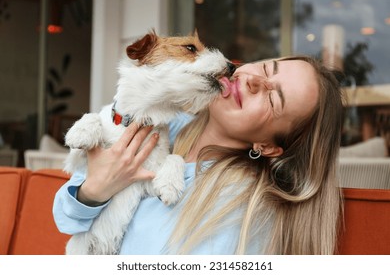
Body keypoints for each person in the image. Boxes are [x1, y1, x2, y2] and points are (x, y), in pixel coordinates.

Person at [53, 55, 344, 255]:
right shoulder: (164, 124)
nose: (255, 80)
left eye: (272, 98)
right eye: (267, 68)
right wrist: (95, 190)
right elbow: (64, 218)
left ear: (267, 147)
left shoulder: (236, 209)